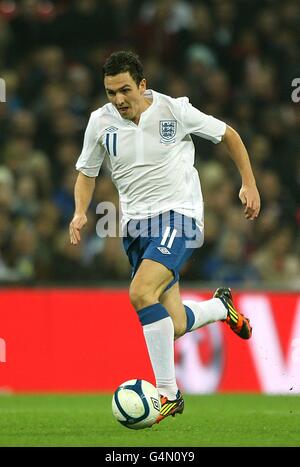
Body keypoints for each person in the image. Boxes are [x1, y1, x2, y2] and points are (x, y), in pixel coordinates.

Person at [69, 51, 261, 424]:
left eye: (125, 89)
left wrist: (248, 183)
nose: (119, 99)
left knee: (141, 293)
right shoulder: (99, 123)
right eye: (110, 92)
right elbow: (86, 172)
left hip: (181, 217)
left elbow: (229, 135)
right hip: (136, 230)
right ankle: (221, 308)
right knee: (170, 324)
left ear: (143, 85)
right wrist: (80, 211)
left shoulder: (175, 111)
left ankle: (169, 395)